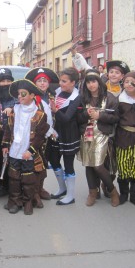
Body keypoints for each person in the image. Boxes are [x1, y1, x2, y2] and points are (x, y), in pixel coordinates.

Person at [2, 79, 49, 215]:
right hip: (14, 151)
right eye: (18, 94)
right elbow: (8, 130)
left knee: (28, 179)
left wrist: (30, 151)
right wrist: (5, 145)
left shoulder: (40, 115)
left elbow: (40, 137)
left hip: (28, 153)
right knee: (13, 178)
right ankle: (14, 201)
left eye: (23, 94)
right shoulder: (14, 111)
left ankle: (28, 202)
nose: (20, 97)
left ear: (32, 96)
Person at [77, 70, 120, 207]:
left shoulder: (110, 98)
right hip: (87, 135)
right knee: (89, 164)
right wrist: (85, 114)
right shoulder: (83, 98)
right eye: (88, 82)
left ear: (99, 82)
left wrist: (99, 116)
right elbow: (77, 118)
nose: (91, 85)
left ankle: (112, 191)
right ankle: (92, 192)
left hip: (102, 135)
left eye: (93, 81)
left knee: (98, 165)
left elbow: (115, 118)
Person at [24, 67, 58, 205]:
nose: (42, 83)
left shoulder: (51, 97)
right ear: (34, 84)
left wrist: (51, 133)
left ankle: (40, 188)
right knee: (33, 165)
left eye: (45, 81)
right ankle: (33, 193)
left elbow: (51, 118)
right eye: (39, 81)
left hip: (45, 136)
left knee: (43, 163)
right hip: (33, 138)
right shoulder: (32, 99)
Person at [48, 67, 81, 206]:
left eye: (64, 81)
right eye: (60, 80)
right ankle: (62, 188)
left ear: (73, 83)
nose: (61, 83)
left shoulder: (77, 97)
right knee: (53, 160)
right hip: (56, 132)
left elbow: (67, 118)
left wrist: (55, 111)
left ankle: (70, 195)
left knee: (68, 164)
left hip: (69, 133)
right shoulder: (57, 92)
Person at [115, 72, 135, 207]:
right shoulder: (119, 100)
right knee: (123, 165)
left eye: (132, 81)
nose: (129, 84)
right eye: (126, 81)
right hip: (123, 135)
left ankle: (134, 195)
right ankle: (124, 194)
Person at [0, 68, 16, 198]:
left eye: (8, 80)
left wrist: (12, 108)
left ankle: (12, 187)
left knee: (11, 160)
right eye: (3, 81)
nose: (6, 83)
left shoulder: (16, 96)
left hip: (12, 135)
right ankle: (0, 185)